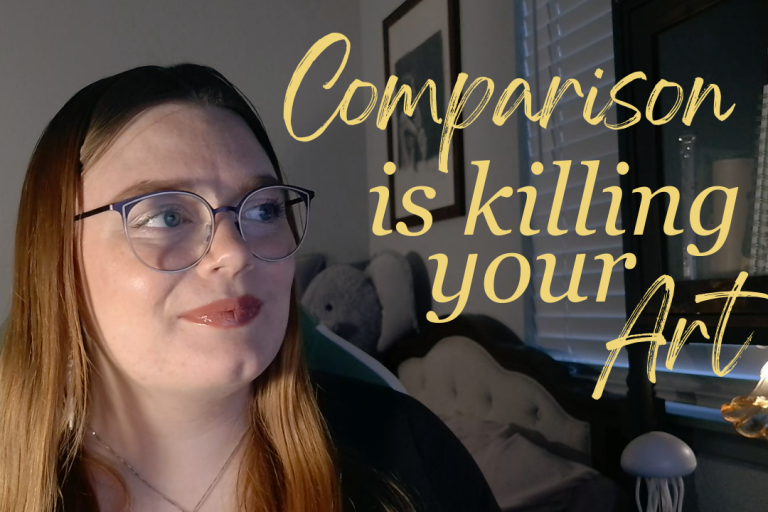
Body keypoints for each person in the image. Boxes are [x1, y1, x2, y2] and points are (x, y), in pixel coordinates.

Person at [0, 64, 501, 512]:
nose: (235, 252)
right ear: (57, 256)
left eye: (262, 210)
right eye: (166, 215)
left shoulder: (411, 454)